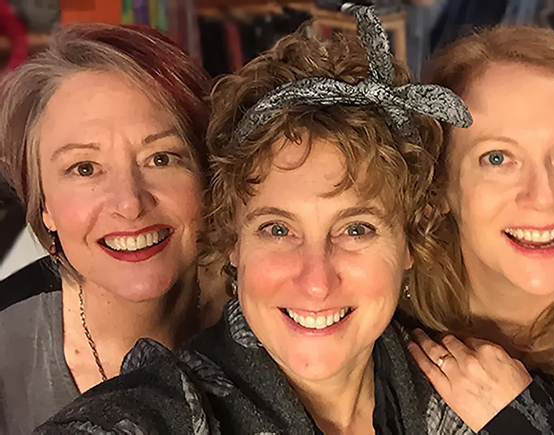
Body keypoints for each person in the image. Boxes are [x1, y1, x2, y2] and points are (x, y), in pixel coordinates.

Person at [35, 6, 476, 433]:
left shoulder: (470, 400)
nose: (316, 282)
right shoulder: (164, 411)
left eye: (356, 229)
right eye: (277, 229)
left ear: (409, 241)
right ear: (233, 239)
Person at [407, 25, 554, 433]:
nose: (543, 197)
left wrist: (518, 422)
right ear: (440, 183)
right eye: (497, 158)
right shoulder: (374, 321)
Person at [0, 23, 225, 434]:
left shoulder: (282, 310)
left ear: (206, 176)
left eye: (161, 158)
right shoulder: (7, 359)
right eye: (85, 168)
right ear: (44, 205)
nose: (130, 203)